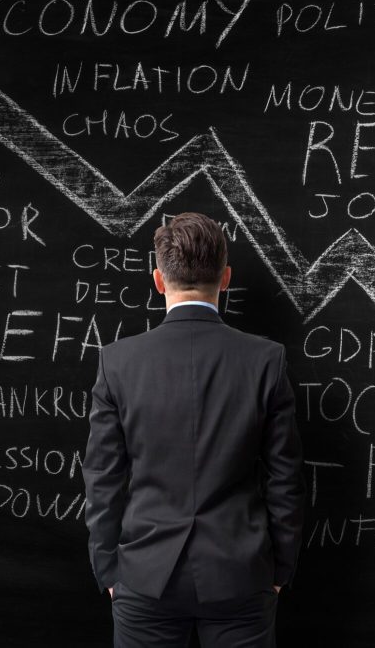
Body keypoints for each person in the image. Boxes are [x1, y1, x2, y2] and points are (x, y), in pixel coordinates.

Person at [82, 211, 306, 647]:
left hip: (144, 576)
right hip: (241, 574)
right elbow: (286, 480)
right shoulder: (266, 360)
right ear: (225, 279)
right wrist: (279, 570)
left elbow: (102, 480)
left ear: (159, 281)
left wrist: (108, 569)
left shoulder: (117, 363)